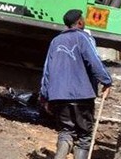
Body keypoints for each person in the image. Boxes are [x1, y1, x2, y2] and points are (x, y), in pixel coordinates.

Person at [40, 9, 112, 159]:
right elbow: (94, 61)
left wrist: (45, 95)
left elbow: (47, 70)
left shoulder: (55, 41)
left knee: (66, 132)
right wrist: (106, 81)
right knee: (84, 137)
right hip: (82, 96)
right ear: (80, 22)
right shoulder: (83, 38)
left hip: (59, 96)